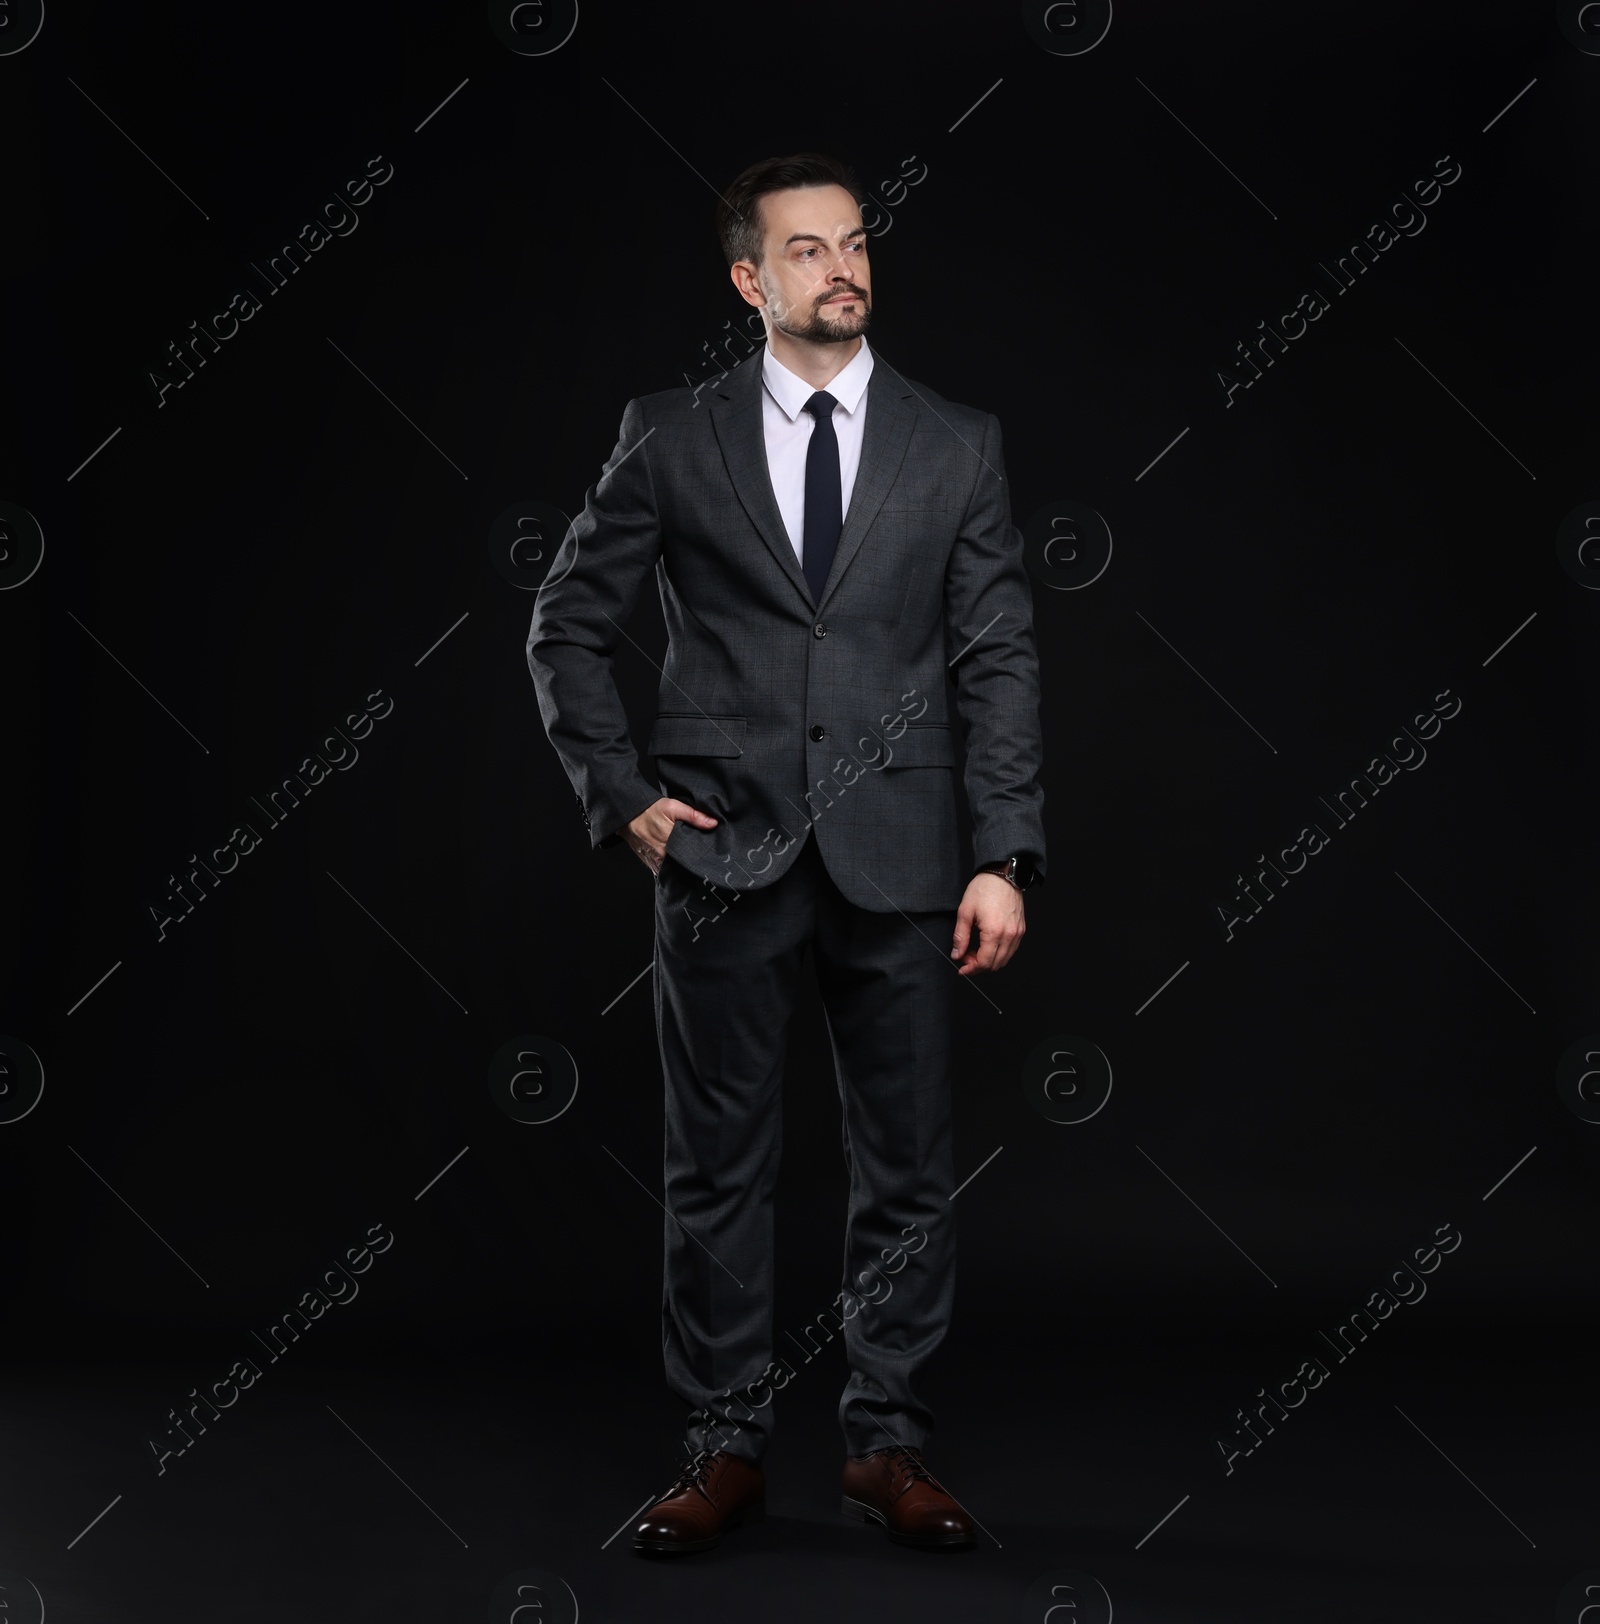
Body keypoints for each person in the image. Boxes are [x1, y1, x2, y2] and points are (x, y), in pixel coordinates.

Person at [526, 152, 1046, 1556]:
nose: (844, 267)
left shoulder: (957, 444)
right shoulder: (671, 433)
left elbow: (997, 656)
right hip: (718, 862)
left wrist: (1004, 852)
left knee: (908, 1170)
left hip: (907, 858)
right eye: (808, 250)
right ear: (751, 281)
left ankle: (887, 1447)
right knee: (716, 1174)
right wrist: (621, 795)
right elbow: (565, 623)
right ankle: (723, 1449)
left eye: (857, 243)